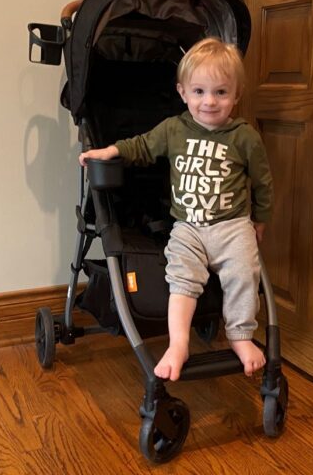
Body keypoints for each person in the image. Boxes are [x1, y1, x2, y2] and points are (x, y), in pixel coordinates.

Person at [79, 37, 273, 381]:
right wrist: (109, 151)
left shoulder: (245, 137)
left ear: (236, 95)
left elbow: (262, 181)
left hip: (232, 225)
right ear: (183, 92)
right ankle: (179, 342)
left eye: (221, 93)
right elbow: (141, 146)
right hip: (187, 227)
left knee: (245, 274)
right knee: (181, 278)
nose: (209, 102)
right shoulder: (174, 129)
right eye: (199, 92)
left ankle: (240, 335)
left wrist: (260, 220)